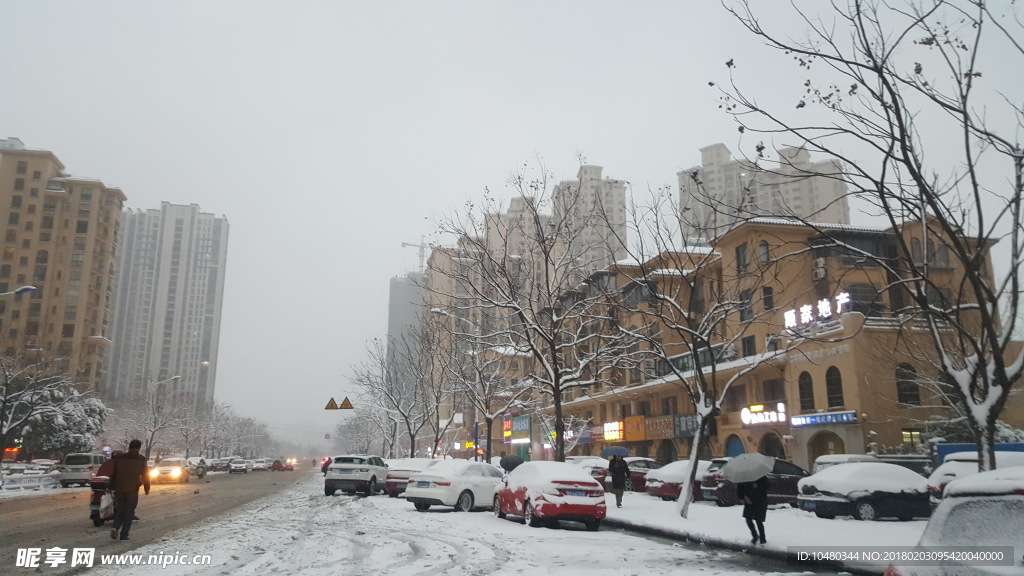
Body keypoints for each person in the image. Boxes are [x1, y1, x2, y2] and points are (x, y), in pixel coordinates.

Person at [108, 439, 150, 542]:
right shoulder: (141, 460)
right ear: (139, 448)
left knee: (120, 509)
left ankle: (115, 527)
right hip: (132, 489)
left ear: (129, 447)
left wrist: (110, 486)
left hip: (119, 489)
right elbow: (145, 475)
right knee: (129, 512)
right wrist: (146, 488)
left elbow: (114, 474)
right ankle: (124, 535)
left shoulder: (120, 458)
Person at [737, 475, 769, 544]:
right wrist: (741, 497)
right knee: (748, 519)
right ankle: (755, 535)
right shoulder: (744, 478)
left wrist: (757, 485)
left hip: (760, 501)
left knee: (758, 520)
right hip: (749, 501)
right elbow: (740, 488)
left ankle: (762, 538)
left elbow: (766, 487)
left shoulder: (762, 478)